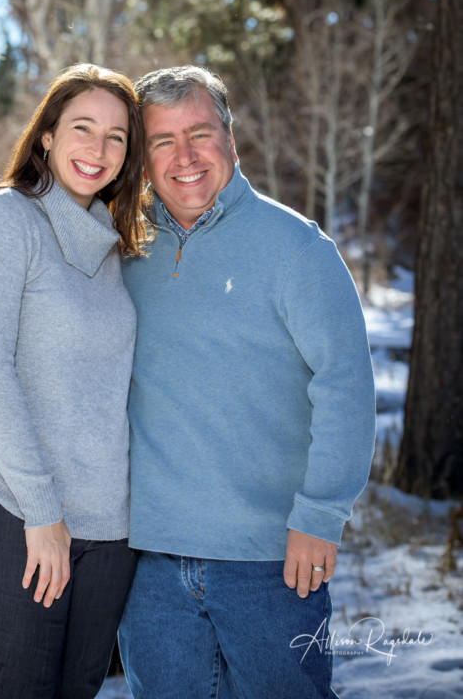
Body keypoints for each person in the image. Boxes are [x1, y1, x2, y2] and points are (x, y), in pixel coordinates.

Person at [118, 65, 376, 699]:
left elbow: (345, 385)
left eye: (200, 133)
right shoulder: (124, 249)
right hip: (148, 565)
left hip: (271, 561)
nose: (185, 157)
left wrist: (321, 515)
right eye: (162, 141)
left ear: (231, 139)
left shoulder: (296, 248)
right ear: (143, 160)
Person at [0, 63, 150, 699]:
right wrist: (42, 511)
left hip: (107, 529)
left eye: (116, 136)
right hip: (14, 511)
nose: (98, 149)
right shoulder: (5, 219)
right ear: (46, 137)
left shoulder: (118, 246)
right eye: (82, 128)